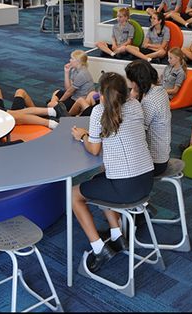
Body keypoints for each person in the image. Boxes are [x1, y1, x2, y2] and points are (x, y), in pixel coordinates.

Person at [70, 72, 155, 272]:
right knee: (100, 179)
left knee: (73, 194)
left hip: (125, 188)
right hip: (146, 182)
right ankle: (117, 235)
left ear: (101, 94)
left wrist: (83, 135)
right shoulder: (135, 105)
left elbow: (94, 149)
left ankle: (99, 248)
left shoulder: (99, 112)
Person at [125, 60, 171, 176]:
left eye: (131, 81)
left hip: (154, 162)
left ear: (136, 82)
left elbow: (137, 131)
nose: (130, 84)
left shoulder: (149, 101)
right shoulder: (160, 90)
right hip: (163, 154)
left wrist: (132, 97)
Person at [48, 50, 95, 115]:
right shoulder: (74, 70)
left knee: (51, 103)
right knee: (56, 92)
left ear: (78, 61)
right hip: (73, 95)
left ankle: (57, 110)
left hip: (77, 100)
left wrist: (60, 102)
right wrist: (66, 72)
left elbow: (69, 92)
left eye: (72, 59)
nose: (70, 60)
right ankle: (55, 109)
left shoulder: (82, 74)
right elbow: (68, 89)